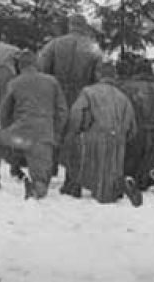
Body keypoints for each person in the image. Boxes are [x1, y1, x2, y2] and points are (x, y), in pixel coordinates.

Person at [0, 50, 68, 199]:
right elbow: (62, 112)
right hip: (44, 140)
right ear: (36, 64)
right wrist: (55, 135)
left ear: (20, 66)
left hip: (20, 137)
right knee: (42, 184)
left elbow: (3, 114)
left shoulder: (15, 83)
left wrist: (7, 127)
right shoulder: (52, 82)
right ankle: (37, 187)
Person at [61, 62, 140, 205]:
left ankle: (72, 187)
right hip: (118, 139)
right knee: (109, 176)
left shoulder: (88, 92)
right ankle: (120, 185)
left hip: (94, 136)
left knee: (77, 160)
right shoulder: (123, 96)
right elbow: (132, 127)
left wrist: (76, 131)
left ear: (98, 75)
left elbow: (76, 114)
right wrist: (122, 137)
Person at [120, 62, 154, 196]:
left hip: (134, 133)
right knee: (146, 164)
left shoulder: (127, 87)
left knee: (128, 165)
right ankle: (149, 179)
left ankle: (129, 181)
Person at [39, 14, 102, 109]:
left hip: (57, 96)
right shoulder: (94, 48)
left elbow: (43, 68)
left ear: (69, 25)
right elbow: (98, 76)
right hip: (83, 98)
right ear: (84, 27)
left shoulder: (54, 44)